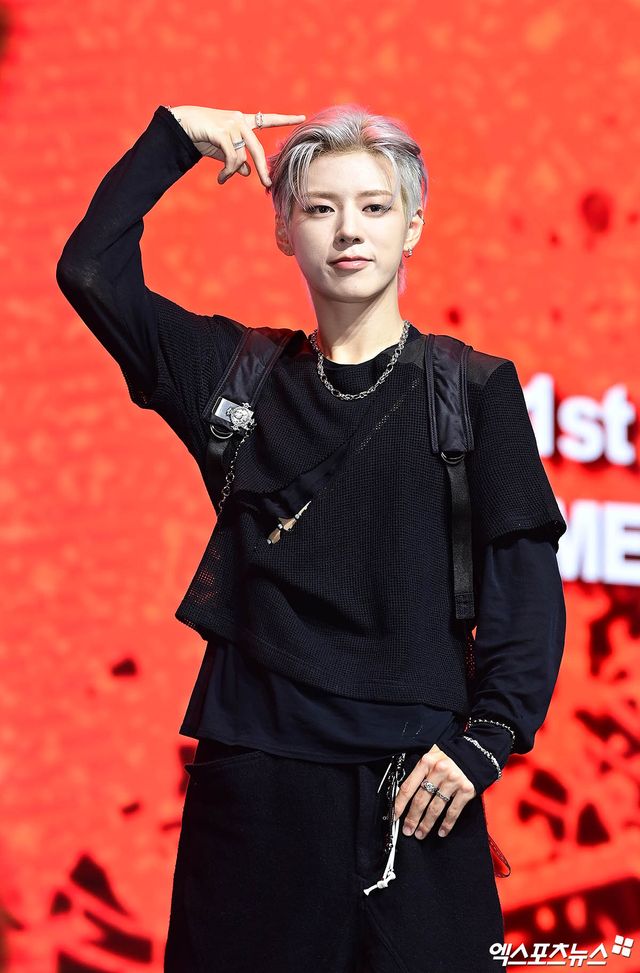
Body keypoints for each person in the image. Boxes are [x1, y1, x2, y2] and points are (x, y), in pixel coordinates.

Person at [55, 101, 567, 973]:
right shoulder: (240, 377)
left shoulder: (473, 389)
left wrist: (488, 736)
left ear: (413, 226)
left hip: (419, 789)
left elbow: (524, 583)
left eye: (374, 206)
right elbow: (91, 269)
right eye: (321, 207)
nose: (349, 229)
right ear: (284, 230)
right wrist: (175, 137)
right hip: (256, 788)